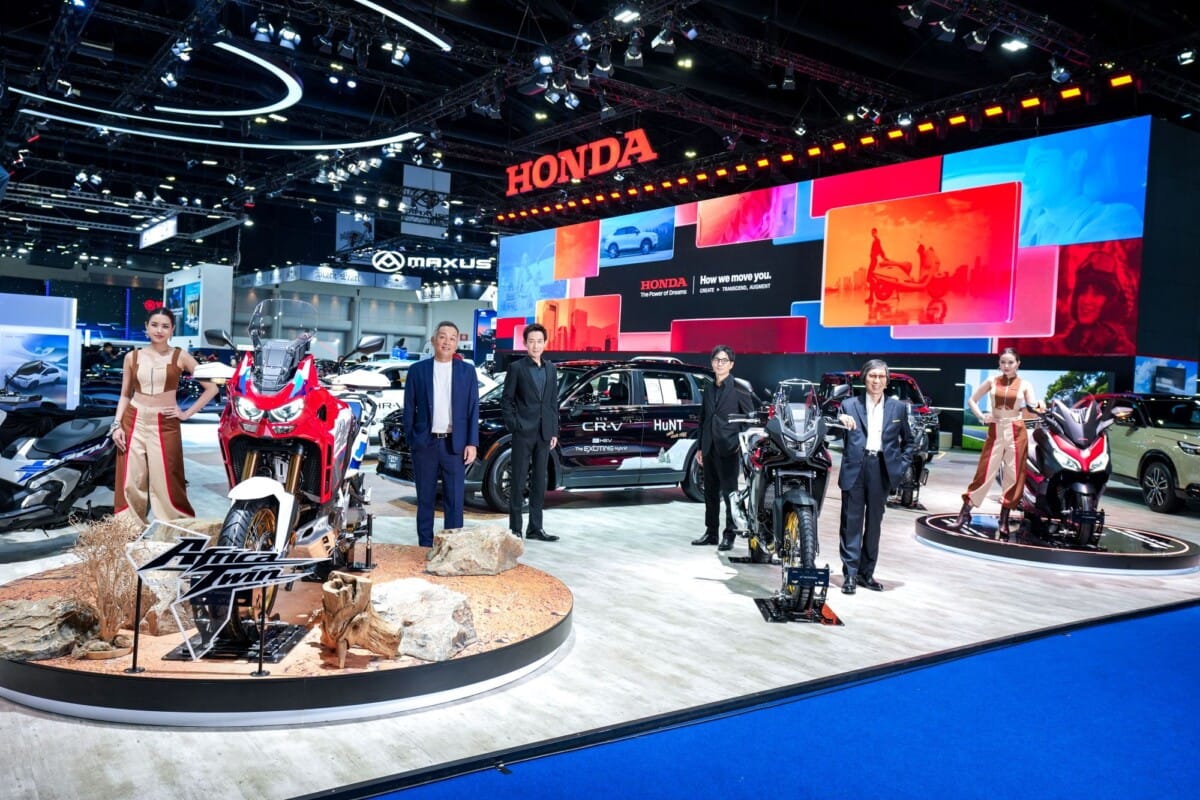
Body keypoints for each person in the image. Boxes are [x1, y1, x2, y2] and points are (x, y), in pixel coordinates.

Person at [111, 308, 218, 525]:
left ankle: (173, 529)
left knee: (167, 481)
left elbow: (212, 388)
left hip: (165, 422)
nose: (159, 330)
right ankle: (128, 529)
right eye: (154, 325)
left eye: (165, 326)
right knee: (131, 479)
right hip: (133, 419)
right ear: (146, 327)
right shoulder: (132, 357)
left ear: (172, 330)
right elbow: (125, 394)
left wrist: (186, 413)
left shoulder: (181, 356)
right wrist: (116, 425)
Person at [835, 359, 916, 594]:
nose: (877, 381)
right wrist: (839, 420)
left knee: (873, 525)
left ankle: (866, 574)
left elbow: (909, 441)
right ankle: (850, 575)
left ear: (887, 381)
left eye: (881, 376)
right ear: (865, 378)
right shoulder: (848, 405)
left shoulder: (897, 408)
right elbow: (829, 430)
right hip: (855, 468)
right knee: (851, 523)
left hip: (882, 469)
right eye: (872, 376)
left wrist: (899, 466)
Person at [948, 348, 1042, 535]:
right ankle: (964, 513)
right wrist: (982, 417)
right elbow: (972, 400)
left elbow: (1032, 405)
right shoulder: (992, 381)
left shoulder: (1025, 384)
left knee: (1013, 475)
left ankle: (1004, 519)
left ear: (1018, 364)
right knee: (984, 473)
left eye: (1010, 362)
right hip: (996, 430)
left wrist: (1040, 406)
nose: (1006, 366)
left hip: (1017, 431)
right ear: (999, 364)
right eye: (1003, 362)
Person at [402, 321, 480, 547]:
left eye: (452, 338)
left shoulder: (467, 372)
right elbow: (409, 408)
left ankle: (451, 547)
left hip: (455, 445)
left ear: (457, 344)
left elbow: (473, 409)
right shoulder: (418, 370)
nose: (447, 342)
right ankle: (424, 546)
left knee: (454, 501)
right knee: (425, 499)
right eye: (443, 337)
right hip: (425, 444)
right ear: (434, 340)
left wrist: (472, 443)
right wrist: (412, 439)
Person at [691, 345, 754, 550]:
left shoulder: (739, 388)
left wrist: (737, 444)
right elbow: (703, 419)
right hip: (709, 447)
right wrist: (700, 447)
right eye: (716, 360)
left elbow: (749, 420)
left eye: (724, 360)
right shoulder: (708, 388)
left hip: (729, 449)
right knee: (710, 493)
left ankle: (730, 535)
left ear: (731, 364)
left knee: (730, 495)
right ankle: (711, 533)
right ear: (712, 362)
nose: (719, 363)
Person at [501, 323, 560, 542]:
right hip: (523, 432)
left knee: (539, 482)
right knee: (518, 480)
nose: (535, 345)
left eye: (539, 341)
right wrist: (515, 425)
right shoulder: (517, 368)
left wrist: (553, 431)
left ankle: (535, 528)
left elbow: (552, 402)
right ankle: (515, 528)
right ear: (525, 343)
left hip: (544, 434)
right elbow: (506, 400)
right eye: (531, 341)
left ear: (545, 343)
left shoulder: (551, 369)